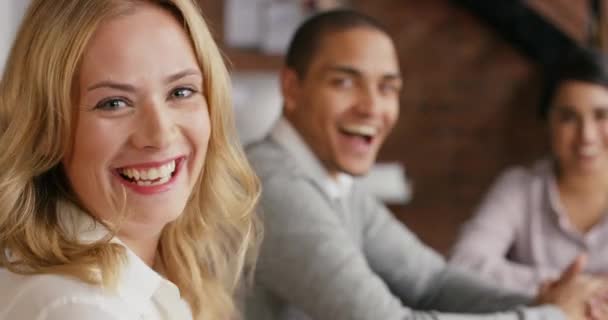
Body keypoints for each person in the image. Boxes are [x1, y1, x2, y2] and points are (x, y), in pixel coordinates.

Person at [244, 9, 608, 320]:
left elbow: (431, 281)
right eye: (344, 82)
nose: (372, 107)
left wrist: (539, 304)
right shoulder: (273, 187)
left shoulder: (333, 184)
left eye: (387, 88)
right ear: (292, 89)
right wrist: (550, 315)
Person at [0, 1, 260, 319]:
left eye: (181, 92)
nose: (160, 135)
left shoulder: (162, 266)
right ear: (44, 130)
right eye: (114, 103)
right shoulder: (79, 308)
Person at [450, 49, 608, 296]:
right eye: (568, 117)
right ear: (548, 122)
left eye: (602, 116)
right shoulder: (519, 188)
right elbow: (464, 264)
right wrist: (574, 288)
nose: (586, 136)